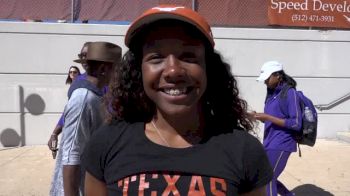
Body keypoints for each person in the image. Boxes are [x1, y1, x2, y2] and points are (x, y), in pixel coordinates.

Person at [82, 5, 273, 195]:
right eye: (156, 58)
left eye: (188, 56)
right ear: (138, 70)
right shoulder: (106, 144)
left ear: (209, 68)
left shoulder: (244, 151)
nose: (173, 71)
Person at [49, 41, 122, 196]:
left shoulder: (97, 96)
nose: (118, 74)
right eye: (116, 69)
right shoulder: (83, 99)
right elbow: (71, 157)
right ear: (103, 69)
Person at [252, 61, 302, 196]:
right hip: (269, 142)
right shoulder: (271, 94)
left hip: (282, 143)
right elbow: (272, 119)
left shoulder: (290, 93)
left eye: (267, 79)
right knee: (265, 176)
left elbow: (296, 123)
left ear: (278, 75)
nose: (265, 82)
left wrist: (268, 117)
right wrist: (259, 117)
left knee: (268, 178)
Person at [47, 42, 90, 157]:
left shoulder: (109, 81)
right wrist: (55, 133)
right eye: (82, 56)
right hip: (77, 143)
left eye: (87, 55)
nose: (84, 59)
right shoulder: (77, 81)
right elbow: (69, 111)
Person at [48, 65, 81, 157]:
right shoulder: (72, 86)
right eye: (70, 72)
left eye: (75, 72)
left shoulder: (81, 84)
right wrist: (55, 133)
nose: (72, 74)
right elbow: (68, 111)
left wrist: (55, 132)